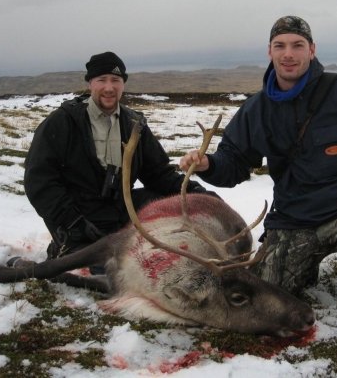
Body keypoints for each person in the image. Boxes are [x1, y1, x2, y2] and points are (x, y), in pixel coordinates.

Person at [180, 16, 337, 307]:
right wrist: (209, 165)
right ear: (270, 52)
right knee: (266, 292)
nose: (288, 54)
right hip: (295, 218)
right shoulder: (257, 110)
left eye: (297, 45)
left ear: (312, 50)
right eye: (280, 45)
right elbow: (234, 163)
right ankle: (304, 268)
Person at [24, 51, 208, 260]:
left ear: (123, 84)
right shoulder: (62, 122)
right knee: (105, 269)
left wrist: (195, 193)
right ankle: (65, 249)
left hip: (120, 212)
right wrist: (72, 222)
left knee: (167, 210)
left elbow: (158, 174)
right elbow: (38, 181)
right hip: (78, 218)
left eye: (116, 80)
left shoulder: (134, 125)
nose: (109, 88)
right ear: (90, 83)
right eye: (102, 80)